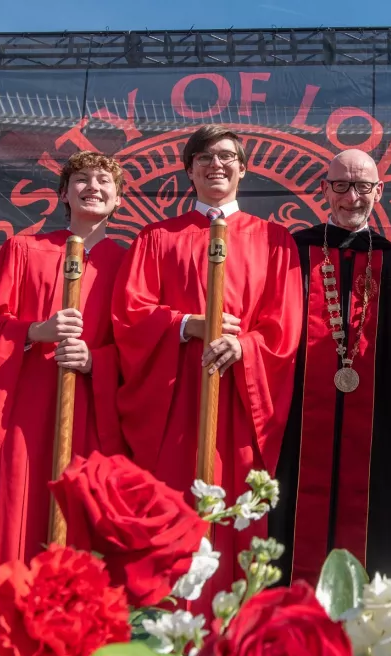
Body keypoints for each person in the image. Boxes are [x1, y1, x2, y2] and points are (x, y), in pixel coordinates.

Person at [111, 124, 302, 598]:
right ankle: (166, 626)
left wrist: (246, 346)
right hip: (175, 403)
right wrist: (185, 324)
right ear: (188, 171)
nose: (216, 164)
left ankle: (235, 624)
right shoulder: (155, 239)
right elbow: (130, 313)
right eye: (204, 158)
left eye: (226, 156)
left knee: (236, 514)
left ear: (243, 167)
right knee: (173, 510)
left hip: (240, 401)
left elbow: (286, 324)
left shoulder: (275, 242)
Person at [0, 150, 128, 568]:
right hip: (27, 410)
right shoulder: (23, 250)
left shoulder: (128, 262)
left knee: (84, 515)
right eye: (82, 180)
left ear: (119, 198)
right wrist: (35, 331)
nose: (94, 187)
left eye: (105, 181)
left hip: (94, 411)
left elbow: (140, 345)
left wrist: (96, 360)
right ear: (64, 194)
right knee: (22, 501)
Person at [273, 149, 391, 585]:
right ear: (324, 190)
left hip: (377, 418)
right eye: (340, 185)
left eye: (363, 186)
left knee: (372, 509)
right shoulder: (292, 253)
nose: (351, 196)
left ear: (379, 192)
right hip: (302, 418)